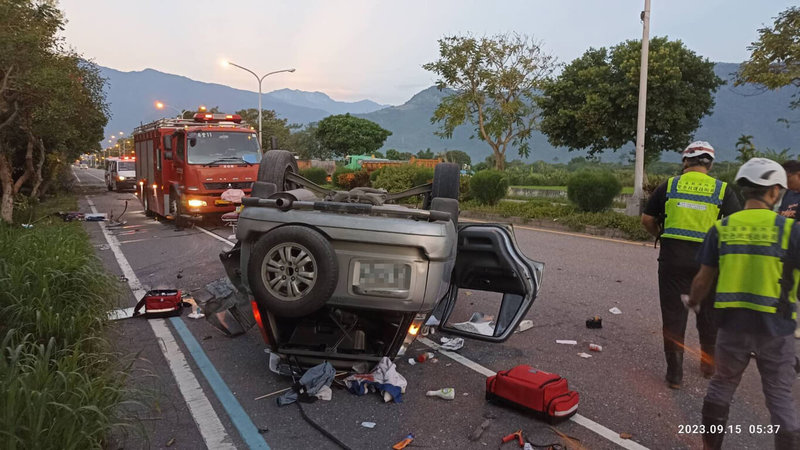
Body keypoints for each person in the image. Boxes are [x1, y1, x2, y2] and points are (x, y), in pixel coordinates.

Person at [687, 158, 799, 449]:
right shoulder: (791, 231)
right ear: (774, 191)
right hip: (777, 328)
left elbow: (702, 280)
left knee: (721, 386)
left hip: (732, 326)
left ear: (746, 190)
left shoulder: (722, 228)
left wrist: (694, 302)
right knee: (778, 395)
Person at [641, 141, 741, 389]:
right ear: (710, 164)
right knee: (709, 314)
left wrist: (660, 235)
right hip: (708, 264)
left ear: (686, 161)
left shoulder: (669, 185)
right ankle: (708, 366)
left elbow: (647, 219)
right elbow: (735, 226)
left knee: (674, 317)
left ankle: (675, 375)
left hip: (673, 261)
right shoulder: (722, 190)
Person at [778, 160, 800, 340]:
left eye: (788, 177)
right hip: (787, 249)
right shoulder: (789, 194)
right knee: (787, 289)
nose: (785, 181)